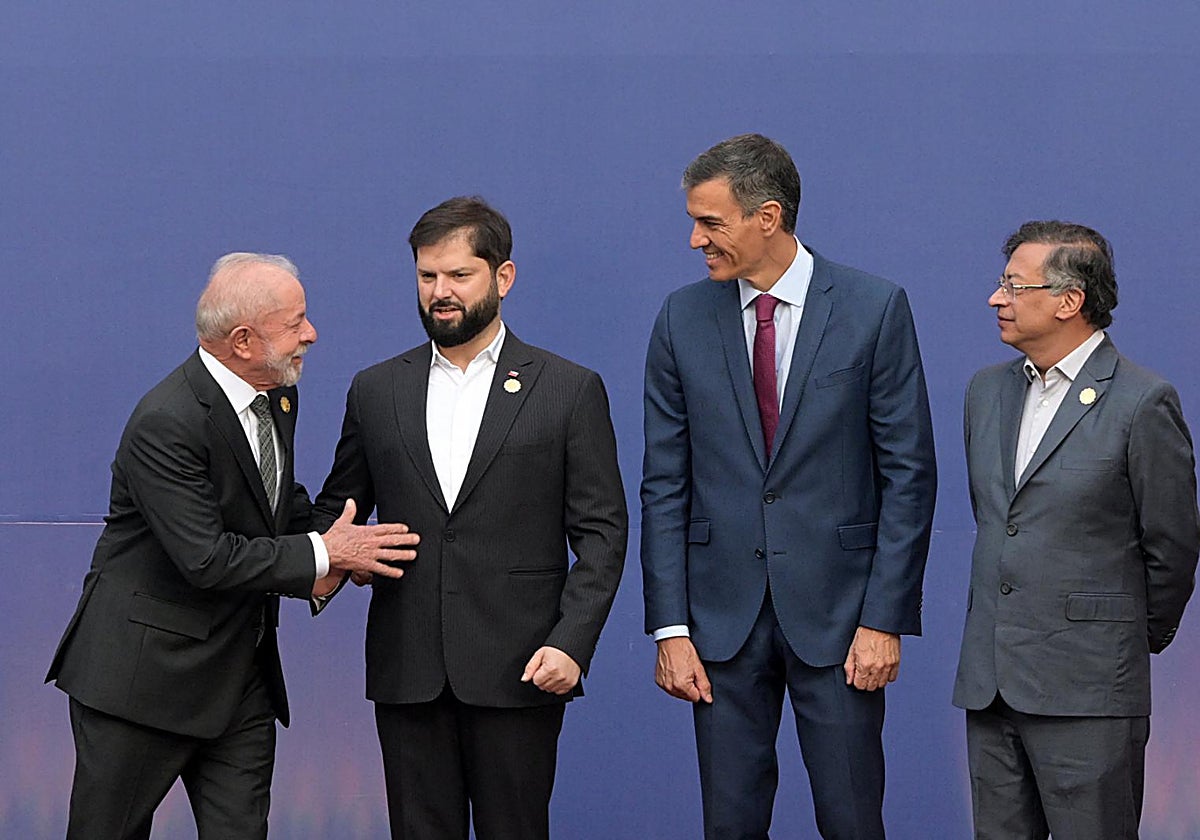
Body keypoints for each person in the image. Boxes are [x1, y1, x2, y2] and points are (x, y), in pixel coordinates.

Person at [46, 253, 419, 840]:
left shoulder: (276, 395)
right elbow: (206, 557)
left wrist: (343, 549)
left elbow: (276, 506)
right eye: (295, 323)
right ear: (243, 340)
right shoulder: (165, 421)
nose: (311, 334)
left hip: (240, 680)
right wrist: (325, 556)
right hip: (142, 686)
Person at [640, 133, 937, 839]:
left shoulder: (874, 307)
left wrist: (883, 618)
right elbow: (664, 482)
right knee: (730, 825)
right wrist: (671, 626)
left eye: (710, 223)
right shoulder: (681, 318)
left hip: (841, 623)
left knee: (852, 820)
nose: (694, 239)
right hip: (720, 624)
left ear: (766, 217)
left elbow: (908, 474)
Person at [313, 196, 628, 840]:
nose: (441, 293)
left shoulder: (568, 389)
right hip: (408, 670)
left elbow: (602, 533)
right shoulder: (375, 389)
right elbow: (339, 507)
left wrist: (572, 642)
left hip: (521, 667)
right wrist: (331, 556)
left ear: (502, 278)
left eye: (459, 275)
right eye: (428, 276)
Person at [952, 220, 1200, 839]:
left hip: (1090, 691)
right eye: (1000, 282)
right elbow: (1001, 524)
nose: (996, 298)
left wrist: (1118, 638)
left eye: (1014, 285)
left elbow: (1173, 546)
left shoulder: (1143, 401)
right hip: (992, 685)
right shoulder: (985, 393)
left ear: (1069, 301)